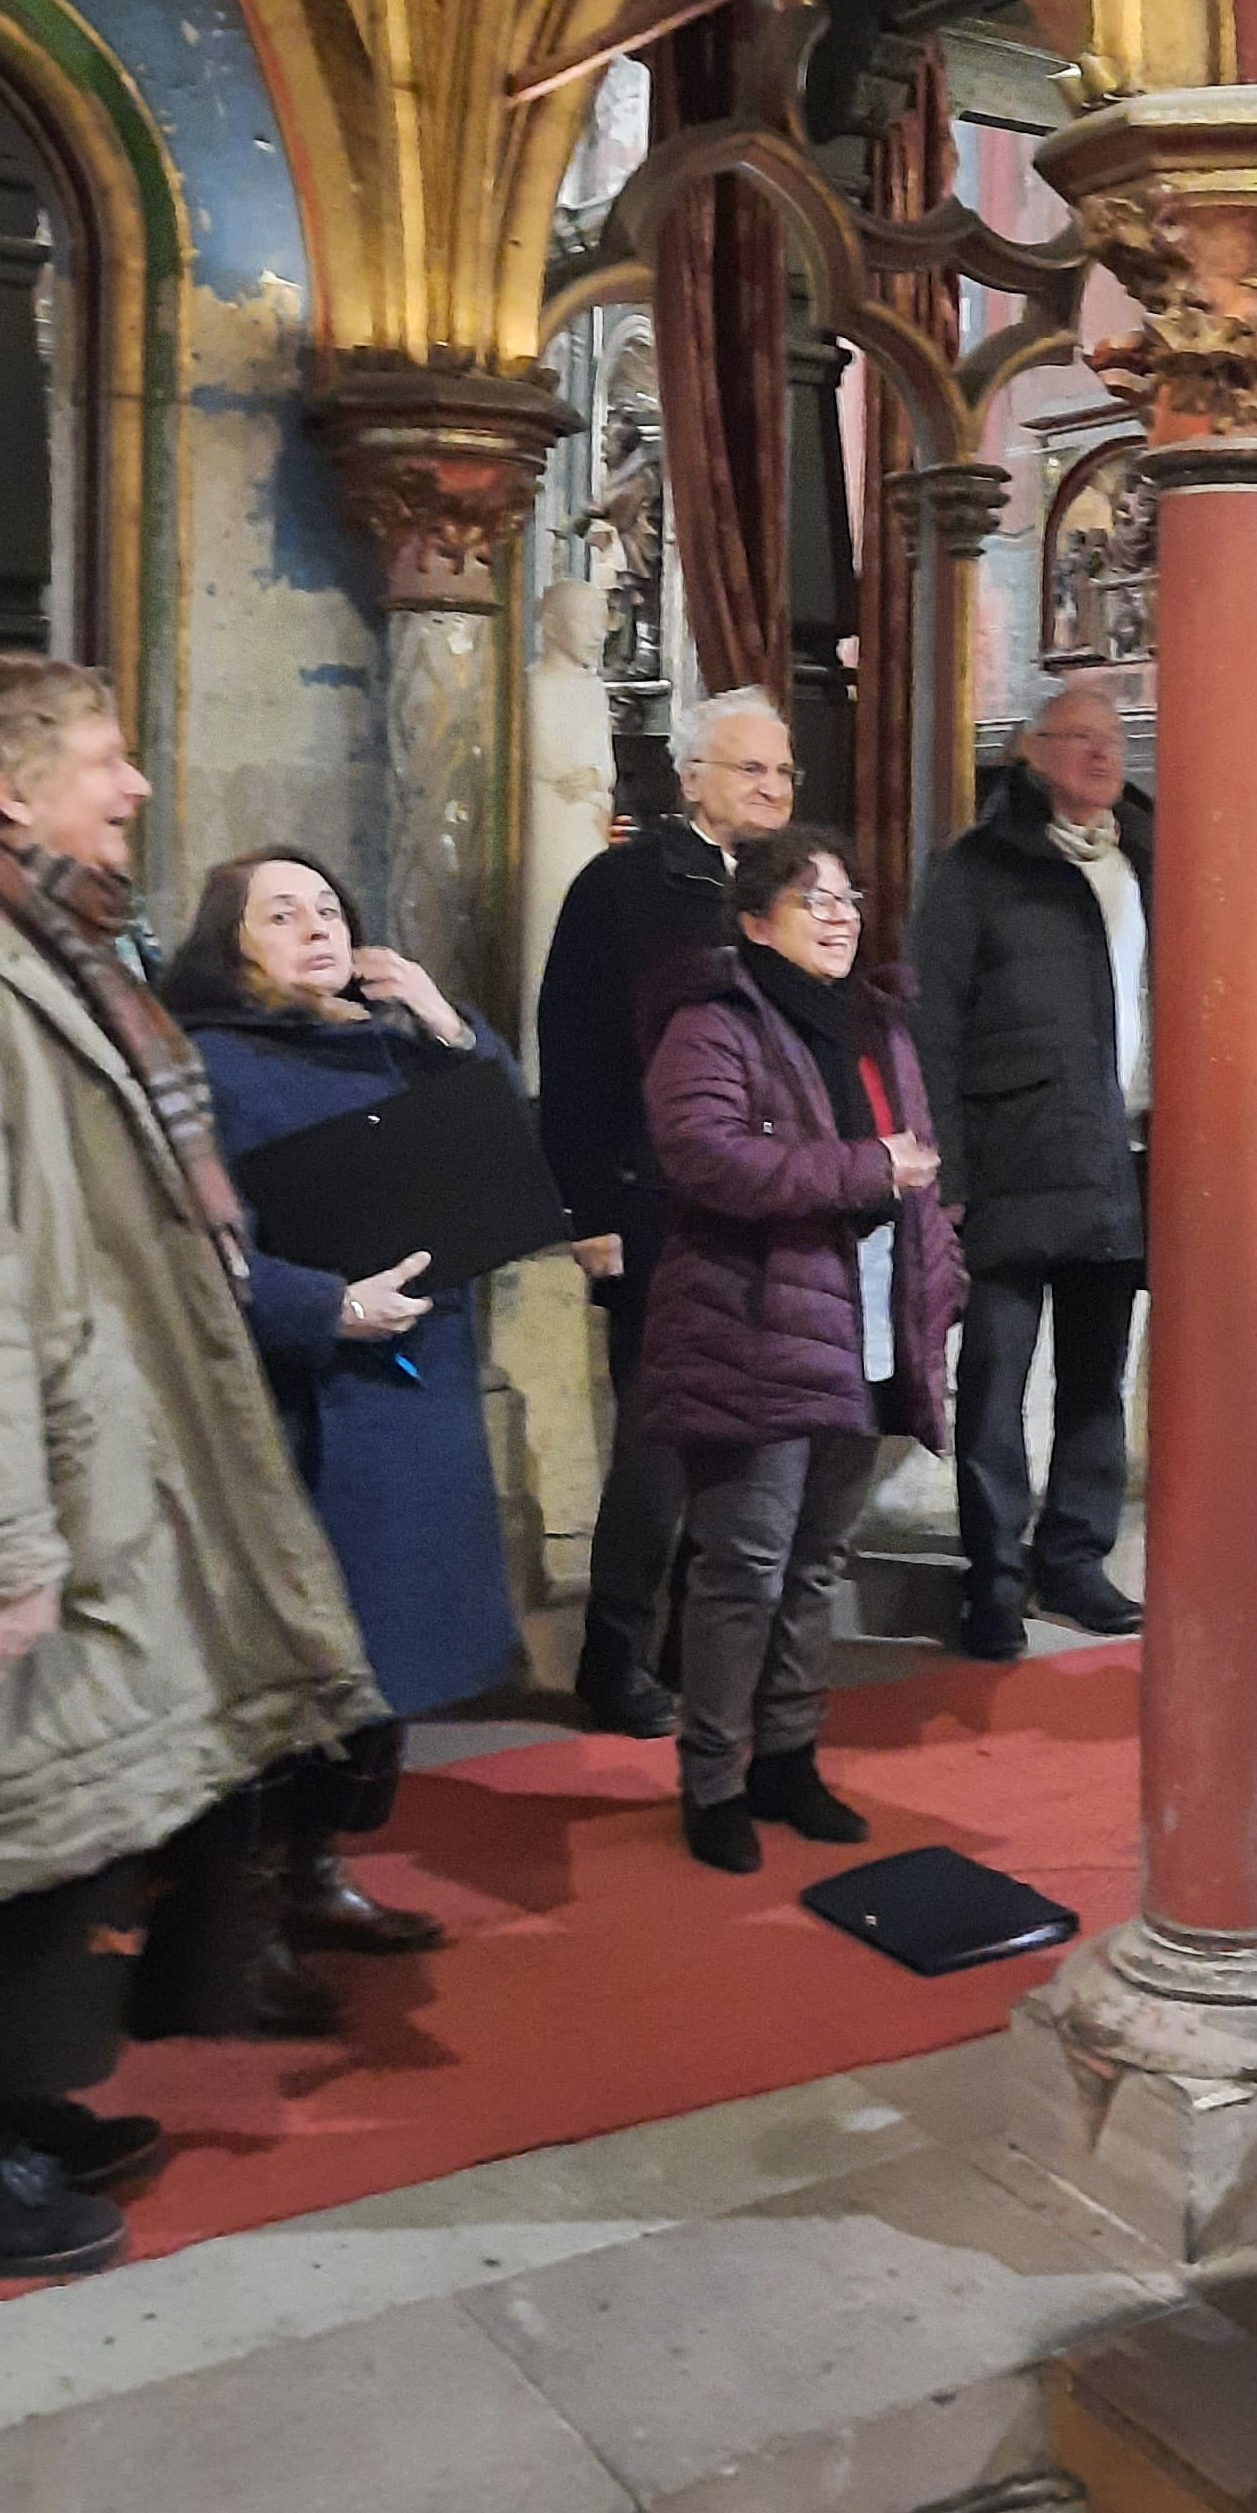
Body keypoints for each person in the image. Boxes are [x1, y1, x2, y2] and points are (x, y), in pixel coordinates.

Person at [0, 655, 381, 2279]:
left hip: (73, 1452)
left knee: (50, 1824)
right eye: (107, 757)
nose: (138, 785)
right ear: (13, 791)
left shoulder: (31, 940)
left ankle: (11, 2106)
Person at [163, 853, 526, 1978]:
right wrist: (325, 1306)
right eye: (283, 913)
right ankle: (240, 1917)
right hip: (306, 1404)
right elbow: (187, 1253)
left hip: (418, 1400)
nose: (317, 925)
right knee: (297, 1668)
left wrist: (444, 1020)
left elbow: (498, 1134)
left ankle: (318, 1868)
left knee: (384, 1664)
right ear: (231, 946)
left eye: (329, 906)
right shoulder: (208, 1066)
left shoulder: (393, 1039)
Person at [642, 826, 964, 1869]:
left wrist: (939, 1282)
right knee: (744, 1562)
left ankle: (788, 1754)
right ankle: (713, 1778)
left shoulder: (879, 1027)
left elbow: (922, 1171)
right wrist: (862, 1170)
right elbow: (706, 1156)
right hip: (754, 1322)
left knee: (820, 1559)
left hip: (865, 1322)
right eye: (810, 897)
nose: (838, 914)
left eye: (847, 896)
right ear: (752, 921)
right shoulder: (714, 1019)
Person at [538, 686, 795, 1734]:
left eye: (783, 772)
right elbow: (578, 1055)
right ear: (690, 776)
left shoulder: (800, 889)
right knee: (656, 1447)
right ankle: (614, 1656)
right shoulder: (624, 887)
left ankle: (705, 1644)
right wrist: (586, 1205)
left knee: (743, 1444)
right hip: (654, 1205)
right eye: (750, 769)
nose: (772, 788)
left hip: (768, 1209)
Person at [912, 684, 1153, 1659]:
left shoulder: (1152, 856)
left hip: (1123, 1154)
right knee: (997, 1377)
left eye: (1115, 738)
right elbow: (932, 1028)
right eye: (1079, 738)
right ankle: (994, 1577)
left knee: (1099, 1377)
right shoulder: (977, 869)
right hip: (1013, 1152)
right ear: (1030, 752)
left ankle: (1076, 1559)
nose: (1101, 754)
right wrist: (948, 1174)